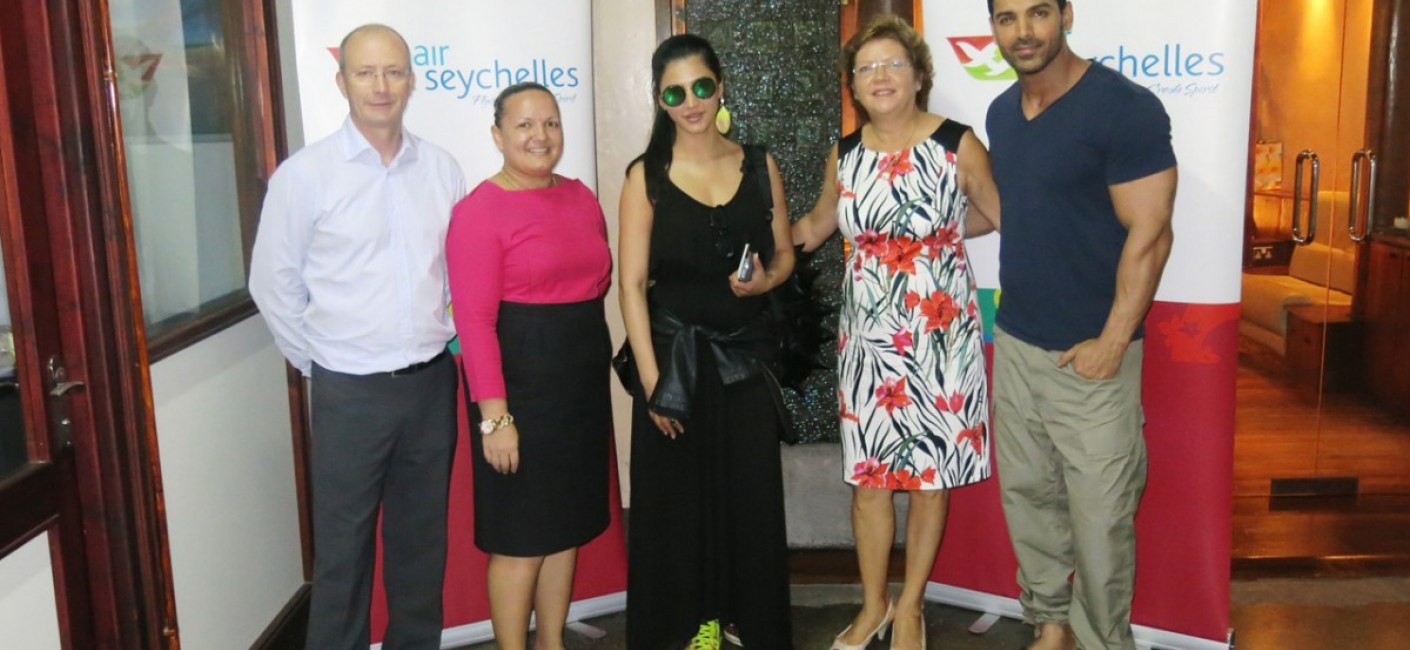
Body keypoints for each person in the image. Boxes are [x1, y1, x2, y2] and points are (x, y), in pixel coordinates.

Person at [248, 24, 465, 650]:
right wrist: (319, 364)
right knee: (342, 556)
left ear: (412, 80)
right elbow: (273, 283)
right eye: (366, 73)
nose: (381, 86)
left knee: (420, 547)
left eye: (393, 71)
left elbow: (457, 275)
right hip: (348, 391)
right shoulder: (306, 175)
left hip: (429, 385)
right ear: (341, 81)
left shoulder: (443, 169)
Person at [791, 13, 1001, 650]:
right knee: (870, 479)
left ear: (917, 76)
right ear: (853, 84)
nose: (879, 77)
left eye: (892, 65)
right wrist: (747, 240)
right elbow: (816, 226)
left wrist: (931, 238)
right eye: (866, 68)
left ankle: (910, 606)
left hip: (941, 339)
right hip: (870, 343)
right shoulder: (846, 153)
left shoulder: (955, 143)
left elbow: (994, 214)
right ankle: (873, 603)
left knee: (930, 477)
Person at [984, 1, 1179, 649]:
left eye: (1038, 12)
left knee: (1101, 525)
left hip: (1093, 360)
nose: (1024, 31)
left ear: (1066, 14)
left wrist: (1114, 341)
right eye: (1007, 17)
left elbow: (1150, 233)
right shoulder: (1003, 113)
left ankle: (1102, 641)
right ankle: (1050, 625)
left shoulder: (1121, 107)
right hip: (1015, 345)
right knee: (1030, 503)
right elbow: (1011, 210)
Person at [618, 34, 797, 650]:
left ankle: (741, 622)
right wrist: (651, 384)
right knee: (678, 511)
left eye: (700, 86)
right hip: (674, 367)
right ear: (660, 100)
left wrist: (762, 284)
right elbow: (632, 285)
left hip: (744, 361)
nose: (690, 101)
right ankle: (692, 627)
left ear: (720, 85)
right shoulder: (646, 176)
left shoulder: (758, 161)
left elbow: (784, 259)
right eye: (675, 92)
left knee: (748, 504)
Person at [446, 82, 613, 650]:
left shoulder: (579, 195)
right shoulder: (478, 212)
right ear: (497, 135)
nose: (540, 136)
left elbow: (597, 282)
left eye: (550, 123)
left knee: (564, 529)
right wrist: (495, 418)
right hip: (519, 388)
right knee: (520, 539)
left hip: (578, 386)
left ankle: (552, 644)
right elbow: (473, 324)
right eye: (524, 125)